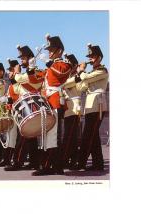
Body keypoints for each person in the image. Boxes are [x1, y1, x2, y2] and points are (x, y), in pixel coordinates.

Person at [30, 34, 72, 176]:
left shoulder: (64, 63)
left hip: (55, 100)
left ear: (59, 50)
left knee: (53, 135)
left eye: (51, 49)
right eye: (48, 50)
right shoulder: (50, 67)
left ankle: (53, 166)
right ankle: (51, 165)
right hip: (47, 101)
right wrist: (30, 69)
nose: (49, 52)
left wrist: (48, 63)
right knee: (47, 134)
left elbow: (62, 72)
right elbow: (35, 80)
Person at [75, 43, 109, 171]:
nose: (90, 59)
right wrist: (79, 75)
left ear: (99, 57)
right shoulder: (92, 73)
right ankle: (98, 163)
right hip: (90, 107)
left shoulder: (102, 70)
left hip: (97, 106)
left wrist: (82, 71)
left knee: (87, 136)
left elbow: (87, 78)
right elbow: (81, 87)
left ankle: (81, 163)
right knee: (93, 137)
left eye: (92, 56)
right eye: (89, 56)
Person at [62, 53, 81, 169]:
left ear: (74, 65)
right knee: (69, 135)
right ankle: (69, 159)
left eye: (68, 63)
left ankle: (72, 160)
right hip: (68, 108)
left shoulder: (76, 76)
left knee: (71, 136)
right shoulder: (68, 76)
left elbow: (63, 84)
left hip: (74, 107)